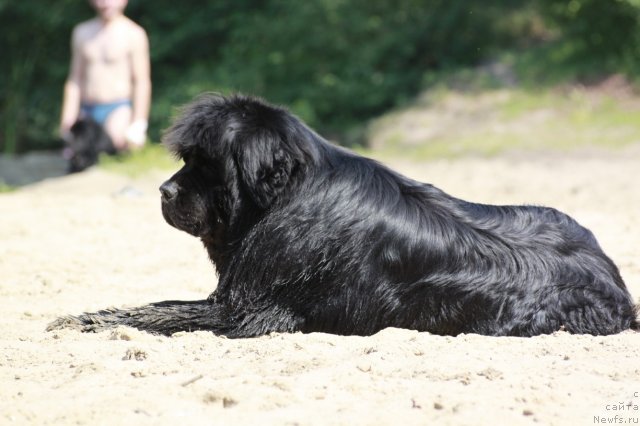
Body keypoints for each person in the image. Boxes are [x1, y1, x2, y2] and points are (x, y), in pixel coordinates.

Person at [60, 0, 151, 151]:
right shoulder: (82, 32)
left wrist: (138, 124)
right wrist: (68, 117)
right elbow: (75, 79)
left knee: (116, 144)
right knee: (75, 148)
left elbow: (141, 82)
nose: (105, 2)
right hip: (87, 108)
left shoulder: (134, 34)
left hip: (117, 108)